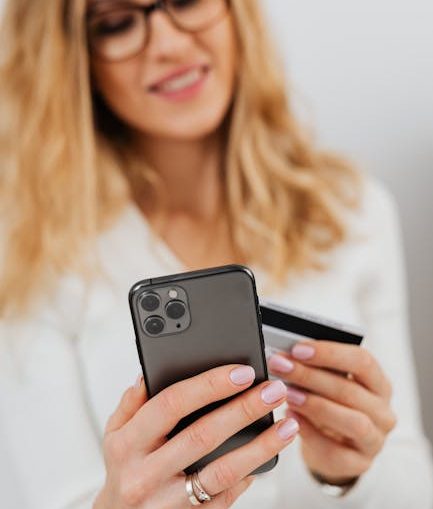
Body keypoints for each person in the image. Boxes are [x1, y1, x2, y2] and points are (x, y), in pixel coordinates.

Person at [0, 0, 432, 508]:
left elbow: (414, 486)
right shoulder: (29, 257)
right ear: (74, 59)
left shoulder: (353, 212)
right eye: (117, 24)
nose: (168, 44)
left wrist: (349, 475)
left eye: (187, 0)